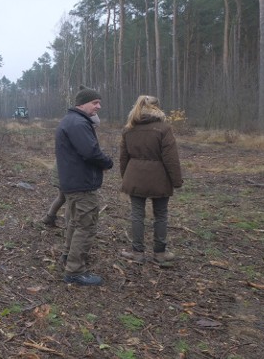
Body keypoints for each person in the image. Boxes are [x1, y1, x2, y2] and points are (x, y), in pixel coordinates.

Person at [55, 87, 113, 286]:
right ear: (82, 103)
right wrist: (107, 162)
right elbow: (90, 152)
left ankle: (67, 256)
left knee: (75, 222)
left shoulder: (71, 120)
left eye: (99, 102)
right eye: (95, 102)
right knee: (86, 226)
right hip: (81, 183)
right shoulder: (79, 123)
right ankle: (75, 270)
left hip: (73, 182)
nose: (99, 106)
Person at [118, 95, 183, 266]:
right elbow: (171, 158)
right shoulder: (163, 128)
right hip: (159, 179)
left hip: (135, 177)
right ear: (157, 108)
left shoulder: (129, 129)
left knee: (137, 215)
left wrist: (126, 178)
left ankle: (137, 252)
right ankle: (160, 254)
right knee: (160, 215)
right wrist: (176, 181)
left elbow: (123, 158)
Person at [43, 114, 100, 227]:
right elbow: (86, 154)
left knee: (62, 197)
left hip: (62, 170)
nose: (95, 129)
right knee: (70, 202)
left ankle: (49, 217)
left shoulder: (74, 130)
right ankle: (69, 228)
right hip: (66, 173)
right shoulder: (81, 134)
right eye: (95, 126)